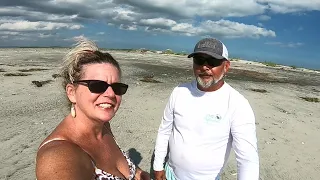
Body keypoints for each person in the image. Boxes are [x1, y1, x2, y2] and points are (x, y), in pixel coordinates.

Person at [36, 37, 150, 180]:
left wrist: (138, 173)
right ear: (72, 92)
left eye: (117, 87)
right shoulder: (57, 155)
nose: (110, 94)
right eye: (97, 86)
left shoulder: (104, 126)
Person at [153, 38, 259, 180]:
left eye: (213, 61)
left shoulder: (237, 104)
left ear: (226, 66)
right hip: (171, 173)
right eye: (199, 60)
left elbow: (247, 158)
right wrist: (158, 166)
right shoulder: (179, 92)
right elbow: (164, 131)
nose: (204, 67)